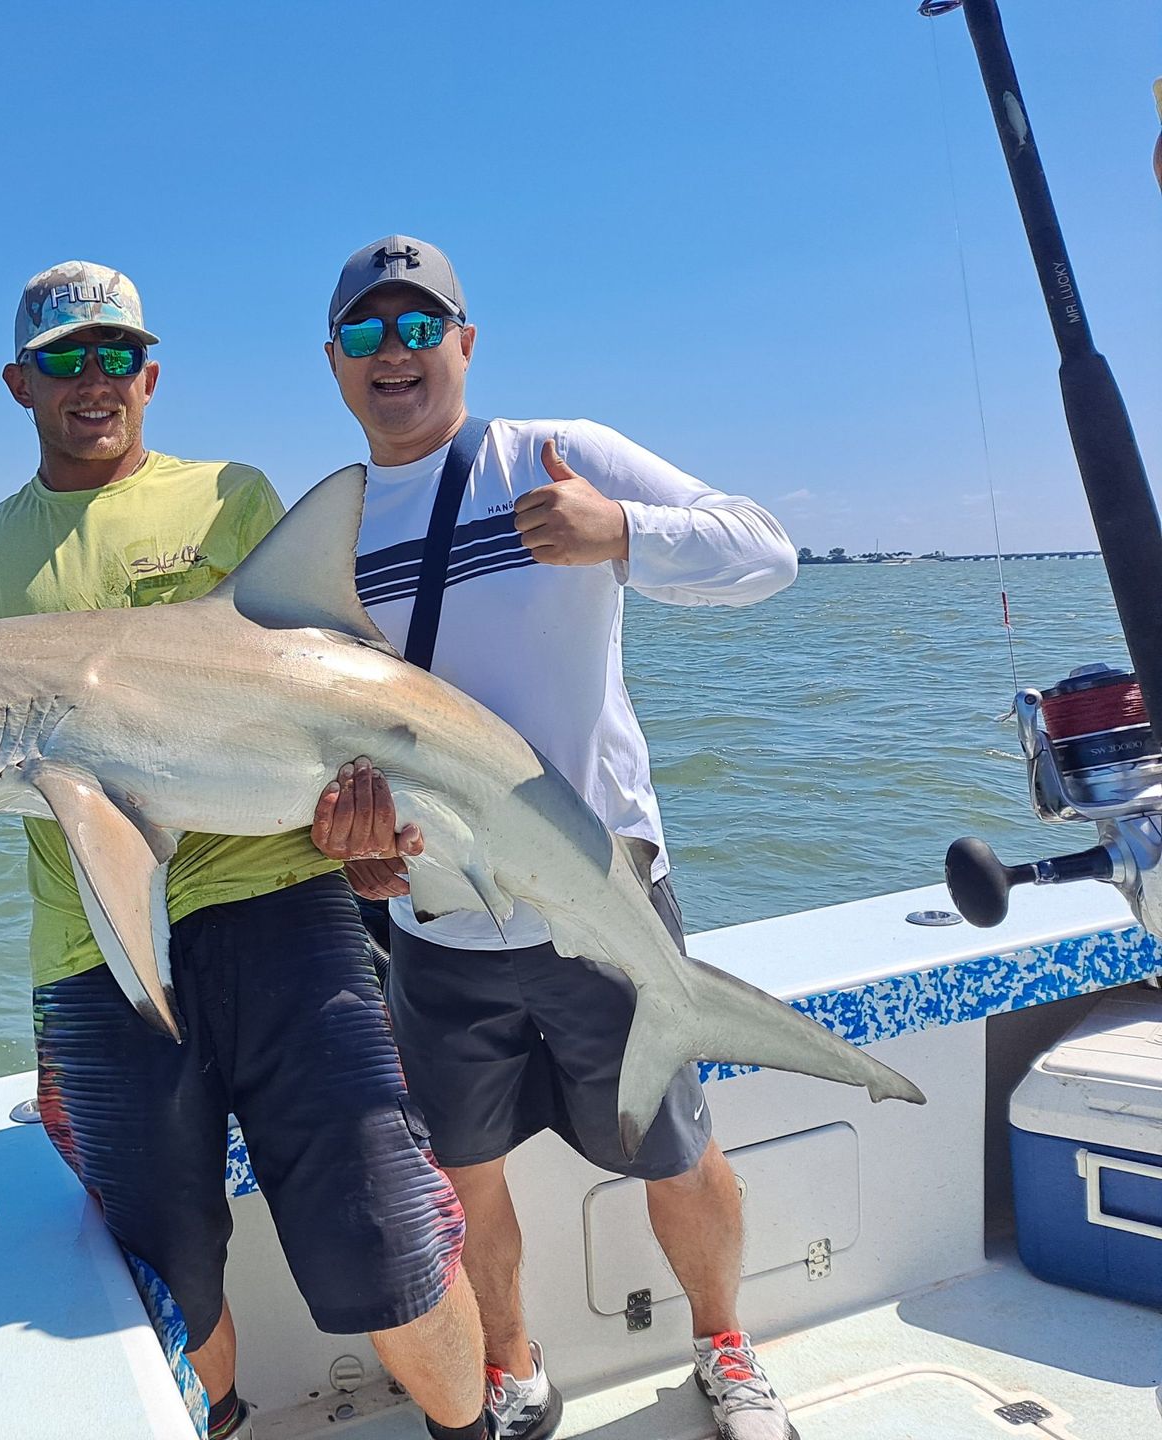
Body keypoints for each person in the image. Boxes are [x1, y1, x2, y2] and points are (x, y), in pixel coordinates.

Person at [0, 261, 497, 1440]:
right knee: (165, 1276)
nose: (96, 381)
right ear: (18, 381)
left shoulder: (233, 498)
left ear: (152, 372)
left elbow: (322, 682)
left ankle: (470, 1431)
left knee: (389, 1231)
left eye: (118, 355)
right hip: (94, 952)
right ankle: (220, 1420)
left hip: (284, 910)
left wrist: (366, 838)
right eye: (67, 359)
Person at [310, 236, 801, 1440]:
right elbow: (327, 734)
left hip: (605, 901)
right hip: (438, 923)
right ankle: (516, 1370)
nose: (396, 353)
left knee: (676, 1149)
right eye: (368, 334)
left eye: (421, 326)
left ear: (466, 344)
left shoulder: (552, 455)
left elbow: (766, 551)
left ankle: (724, 1348)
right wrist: (348, 839)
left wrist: (619, 529)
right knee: (466, 1177)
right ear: (334, 364)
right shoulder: (324, 530)